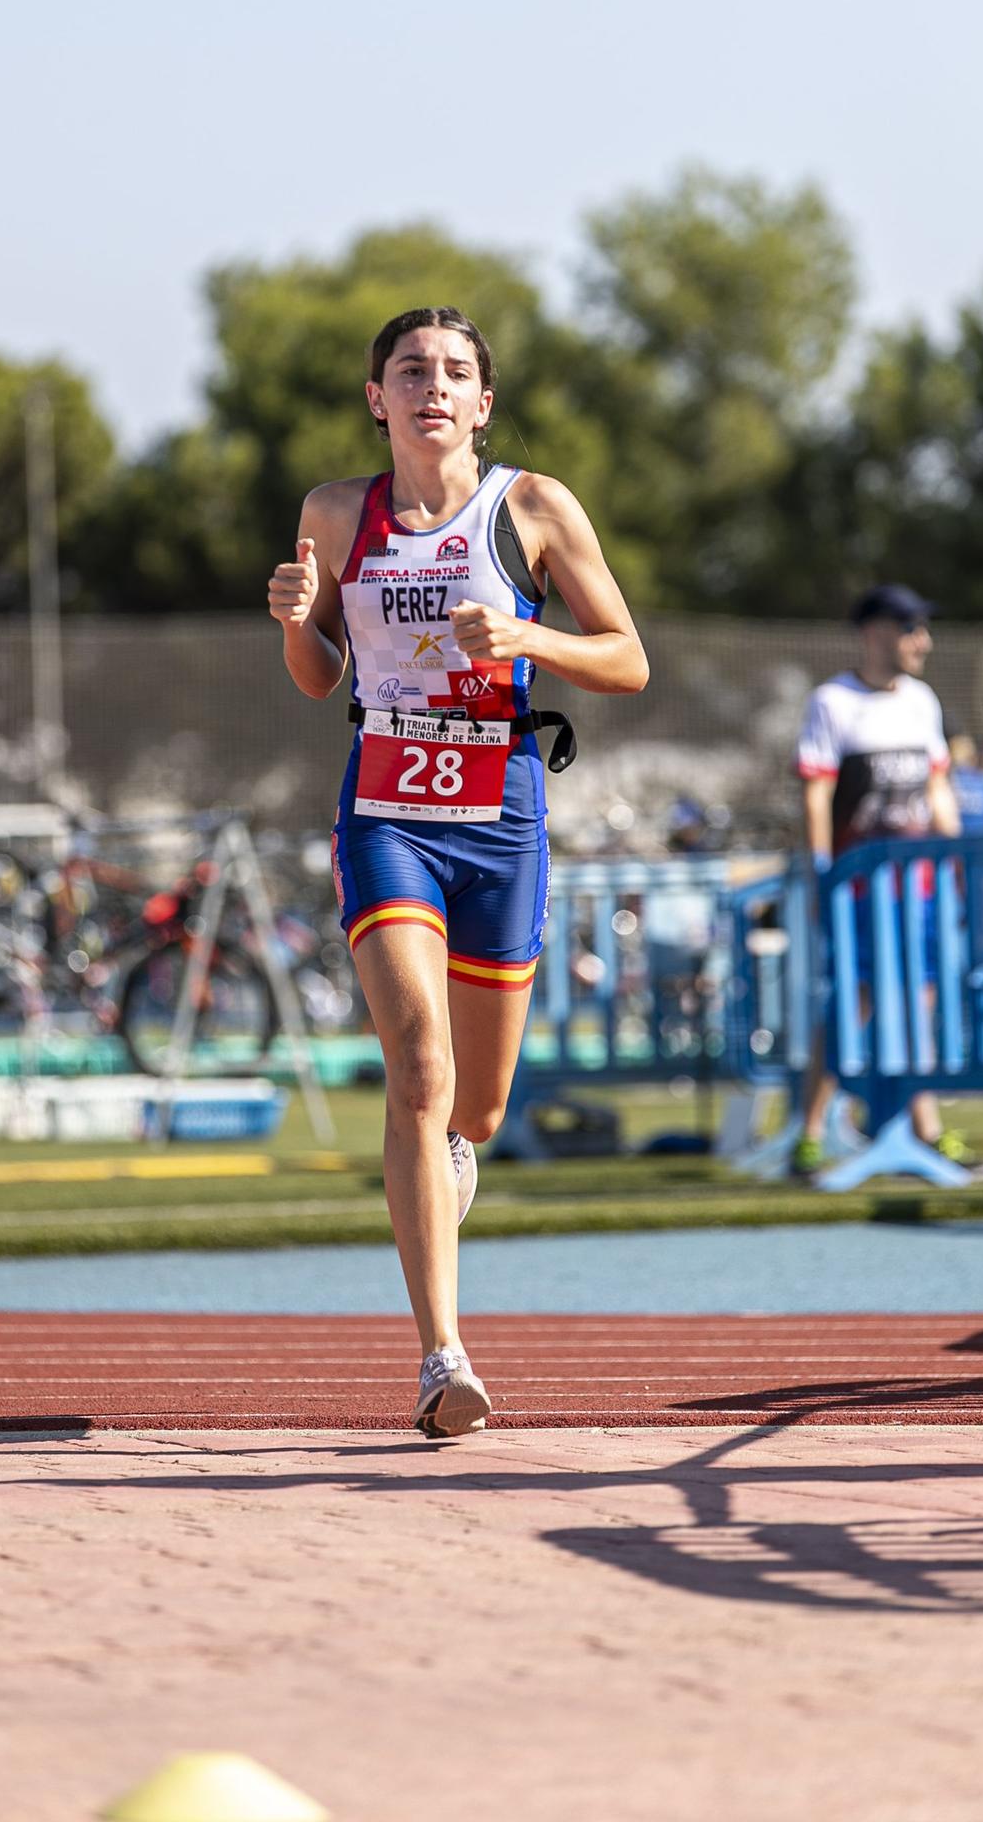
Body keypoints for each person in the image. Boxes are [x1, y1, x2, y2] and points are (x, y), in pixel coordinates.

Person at [268, 306, 648, 1438]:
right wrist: (295, 623)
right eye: (409, 370)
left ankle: (445, 1170)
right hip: (385, 804)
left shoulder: (530, 508)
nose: (432, 386)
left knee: (470, 1106)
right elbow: (314, 672)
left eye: (455, 372)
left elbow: (626, 657)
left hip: (499, 810)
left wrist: (527, 640)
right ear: (375, 398)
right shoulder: (336, 514)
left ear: (483, 402)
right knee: (418, 1065)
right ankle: (443, 1357)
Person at [793, 583, 983, 1180]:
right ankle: (809, 1133)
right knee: (851, 1003)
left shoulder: (922, 701)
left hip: (921, 890)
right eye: (911, 629)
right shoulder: (832, 702)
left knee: (923, 1001)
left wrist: (956, 864)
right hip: (858, 891)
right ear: (875, 633)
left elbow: (937, 788)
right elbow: (816, 793)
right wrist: (820, 873)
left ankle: (924, 1129)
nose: (922, 642)